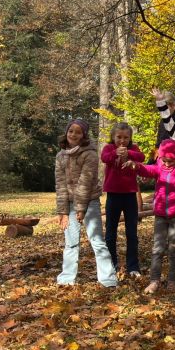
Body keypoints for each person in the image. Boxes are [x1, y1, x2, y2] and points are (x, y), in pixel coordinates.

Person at [55, 119, 118, 287]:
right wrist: (62, 211)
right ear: (66, 133)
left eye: (78, 132)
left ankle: (108, 279)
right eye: (71, 131)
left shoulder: (89, 154)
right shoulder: (61, 155)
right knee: (70, 243)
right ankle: (67, 279)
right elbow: (60, 184)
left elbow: (85, 182)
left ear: (83, 135)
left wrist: (80, 209)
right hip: (69, 203)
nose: (73, 135)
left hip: (89, 202)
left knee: (97, 240)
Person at [126, 139, 175, 294]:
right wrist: (136, 166)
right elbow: (147, 170)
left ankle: (172, 280)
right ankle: (154, 280)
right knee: (157, 249)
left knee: (174, 249)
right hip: (161, 215)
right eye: (164, 160)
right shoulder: (159, 168)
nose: (167, 164)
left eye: (171, 160)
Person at [100, 122, 145, 276]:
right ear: (113, 137)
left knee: (131, 232)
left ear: (130, 138)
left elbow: (142, 157)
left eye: (126, 137)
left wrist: (129, 154)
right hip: (113, 195)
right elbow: (104, 158)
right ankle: (111, 264)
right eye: (119, 137)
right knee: (110, 232)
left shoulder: (133, 149)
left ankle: (133, 266)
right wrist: (116, 154)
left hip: (129, 195)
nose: (122, 140)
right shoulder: (109, 148)